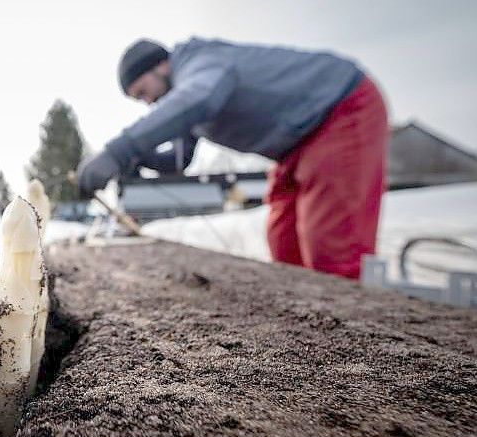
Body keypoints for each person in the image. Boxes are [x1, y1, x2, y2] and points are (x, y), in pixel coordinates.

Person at [78, 37, 388, 279]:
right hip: (295, 146)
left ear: (160, 66)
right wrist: (139, 161)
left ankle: (355, 345)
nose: (148, 103)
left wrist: (120, 151)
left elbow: (199, 99)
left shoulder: (202, 62)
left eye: (143, 91)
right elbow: (179, 160)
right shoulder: (190, 95)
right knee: (284, 238)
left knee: (331, 245)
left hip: (339, 111)